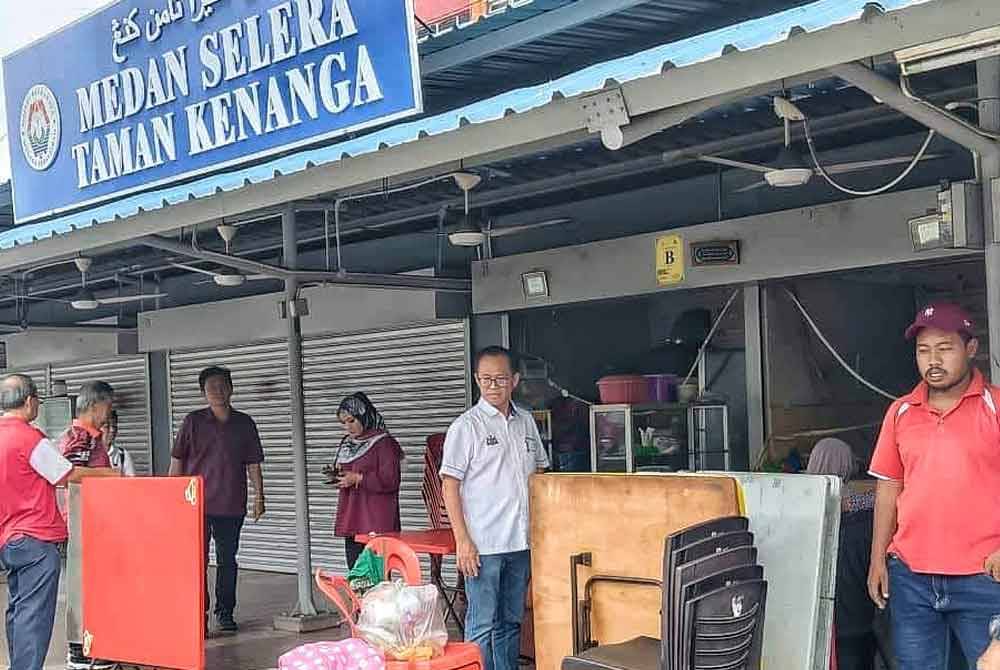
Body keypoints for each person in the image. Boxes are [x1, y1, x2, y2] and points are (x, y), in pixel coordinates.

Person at [868, 303, 1000, 670]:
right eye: (923, 351)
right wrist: (878, 559)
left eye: (945, 348)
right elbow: (889, 490)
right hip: (912, 578)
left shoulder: (995, 406)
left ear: (970, 349)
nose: (933, 360)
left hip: (985, 577)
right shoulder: (901, 412)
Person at [441, 346, 549, 670]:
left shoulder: (526, 422)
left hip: (520, 542)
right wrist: (463, 541)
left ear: (514, 380)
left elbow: (540, 475)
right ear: (477, 380)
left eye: (500, 379)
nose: (492, 386)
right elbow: (450, 485)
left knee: (511, 622)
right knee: (482, 624)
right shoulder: (466, 427)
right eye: (485, 379)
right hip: (483, 546)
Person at [0, 374, 117, 670]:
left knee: (18, 610)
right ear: (29, 402)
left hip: (9, 538)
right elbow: (67, 473)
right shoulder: (29, 438)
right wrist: (112, 475)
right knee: (34, 616)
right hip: (35, 538)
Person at [169, 366, 265, 634]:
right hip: (195, 504)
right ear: (203, 392)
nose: (218, 391)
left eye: (223, 385)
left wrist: (260, 496)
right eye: (211, 387)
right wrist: (171, 498)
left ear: (231, 388)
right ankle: (199, 614)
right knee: (196, 562)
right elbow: (177, 460)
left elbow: (254, 463)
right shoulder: (193, 421)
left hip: (232, 504)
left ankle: (225, 612)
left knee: (227, 560)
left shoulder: (244, 423)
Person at [57, 380, 119, 670]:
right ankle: (79, 652)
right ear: (96, 405)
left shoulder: (92, 437)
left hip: (94, 525)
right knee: (81, 589)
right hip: (81, 526)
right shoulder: (78, 437)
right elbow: (68, 473)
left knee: (95, 588)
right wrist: (109, 475)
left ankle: (95, 645)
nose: (110, 411)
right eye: (108, 404)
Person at [807, 438, 877, 670]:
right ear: (848, 466)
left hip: (809, 623)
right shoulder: (868, 516)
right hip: (856, 622)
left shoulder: (799, 510)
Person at [324, 392, 404, 569]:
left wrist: (359, 478)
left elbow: (391, 480)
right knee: (356, 575)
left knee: (376, 577)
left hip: (376, 521)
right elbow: (345, 469)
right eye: (344, 423)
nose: (348, 427)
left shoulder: (384, 444)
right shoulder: (347, 442)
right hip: (352, 518)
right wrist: (337, 476)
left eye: (352, 421)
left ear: (365, 416)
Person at [103, 409, 136, 477]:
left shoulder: (123, 455)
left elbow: (131, 483)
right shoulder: (89, 454)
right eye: (107, 427)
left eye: (114, 426)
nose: (112, 430)